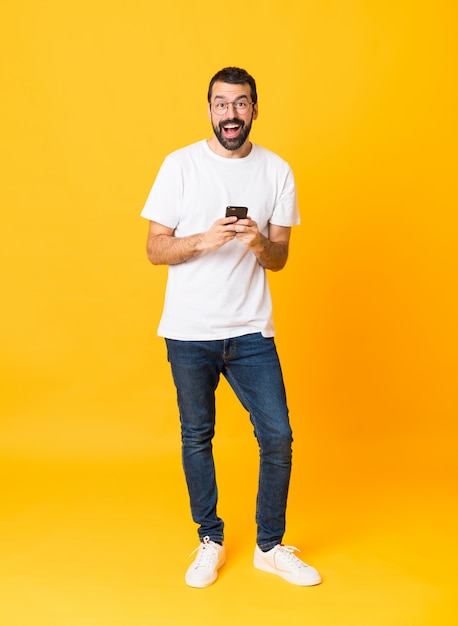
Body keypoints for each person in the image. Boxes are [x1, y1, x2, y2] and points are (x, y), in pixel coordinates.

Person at [141, 67, 321, 589]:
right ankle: (210, 539)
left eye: (241, 104)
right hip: (189, 330)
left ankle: (269, 546)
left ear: (255, 110)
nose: (231, 115)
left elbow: (281, 257)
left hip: (250, 332)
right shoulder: (179, 166)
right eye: (221, 105)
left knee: (279, 436)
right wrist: (205, 240)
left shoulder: (277, 171)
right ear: (210, 111)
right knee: (198, 436)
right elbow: (155, 248)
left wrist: (256, 244)